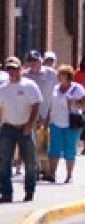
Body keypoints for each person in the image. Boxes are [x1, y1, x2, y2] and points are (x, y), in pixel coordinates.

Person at [0, 56, 41, 202]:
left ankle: (29, 191)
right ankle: (6, 193)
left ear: (21, 69)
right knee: (4, 162)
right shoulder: (2, 88)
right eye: (9, 69)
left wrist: (30, 124)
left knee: (30, 162)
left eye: (15, 68)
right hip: (8, 127)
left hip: (25, 127)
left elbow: (35, 105)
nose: (12, 71)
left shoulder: (29, 85)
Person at [45, 65, 85, 184]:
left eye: (61, 74)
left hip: (71, 123)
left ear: (68, 76)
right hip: (55, 122)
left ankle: (69, 175)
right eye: (58, 74)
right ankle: (52, 174)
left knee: (70, 149)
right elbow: (51, 105)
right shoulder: (55, 88)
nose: (58, 76)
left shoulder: (77, 88)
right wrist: (47, 120)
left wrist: (72, 101)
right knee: (54, 149)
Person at [23, 51, 56, 182]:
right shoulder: (25, 75)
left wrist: (51, 113)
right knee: (31, 143)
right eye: (30, 60)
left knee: (43, 141)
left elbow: (55, 92)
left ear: (40, 61)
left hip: (45, 111)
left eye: (35, 60)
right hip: (29, 113)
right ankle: (34, 170)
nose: (33, 63)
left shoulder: (51, 74)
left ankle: (46, 170)